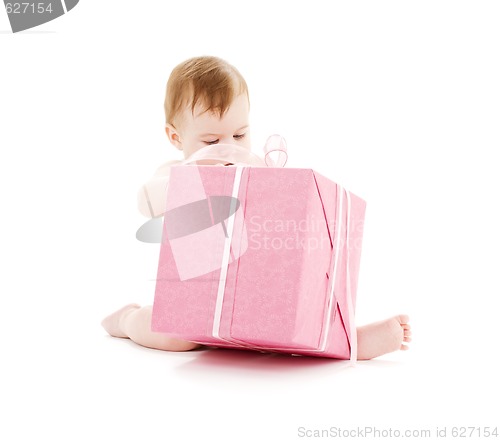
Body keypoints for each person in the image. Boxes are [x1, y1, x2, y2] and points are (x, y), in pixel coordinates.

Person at [101, 56, 411, 360]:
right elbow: (147, 200)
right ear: (175, 137)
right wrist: (190, 185)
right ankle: (129, 320)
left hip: (256, 293)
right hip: (197, 298)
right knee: (177, 338)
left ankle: (346, 339)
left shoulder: (254, 171)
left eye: (239, 135)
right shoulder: (173, 173)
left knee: (284, 321)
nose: (230, 149)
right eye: (211, 141)